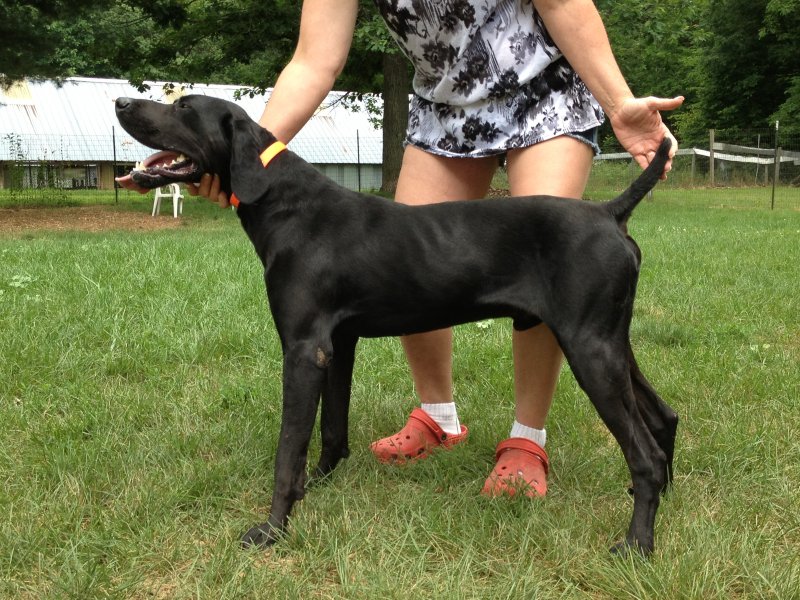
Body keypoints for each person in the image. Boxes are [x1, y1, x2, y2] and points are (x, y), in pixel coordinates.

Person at [186, 0, 684, 497]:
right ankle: (438, 416)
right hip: (445, 101)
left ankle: (526, 439)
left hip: (540, 85)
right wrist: (251, 157)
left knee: (545, 265)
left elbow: (560, 3)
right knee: (404, 260)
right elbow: (315, 59)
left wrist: (619, 104)